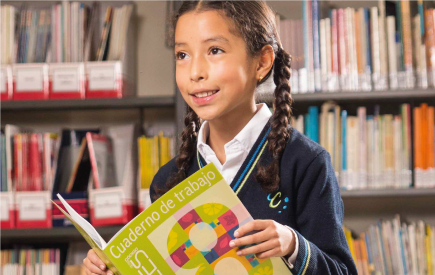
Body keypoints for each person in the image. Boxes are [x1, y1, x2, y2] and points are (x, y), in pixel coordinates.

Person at [83, 0, 357, 274]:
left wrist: (294, 245)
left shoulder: (306, 163)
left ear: (262, 62)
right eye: (182, 55)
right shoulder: (168, 180)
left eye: (214, 50)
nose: (195, 72)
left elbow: (342, 270)